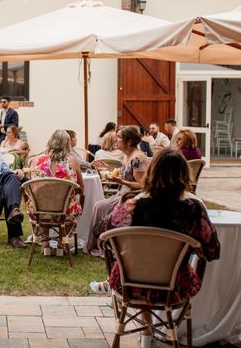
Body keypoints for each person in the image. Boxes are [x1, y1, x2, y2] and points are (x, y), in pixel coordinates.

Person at [90, 149, 220, 348]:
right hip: (174, 286)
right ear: (184, 175)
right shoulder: (193, 207)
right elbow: (213, 250)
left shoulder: (133, 203)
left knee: (142, 265)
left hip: (131, 284)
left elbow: (102, 231)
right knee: (175, 269)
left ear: (151, 172)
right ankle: (162, 330)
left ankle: (147, 333)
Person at [85, 126, 149, 254]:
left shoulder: (137, 158)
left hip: (131, 197)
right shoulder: (126, 156)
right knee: (99, 206)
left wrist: (120, 181)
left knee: (100, 207)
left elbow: (142, 185)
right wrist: (108, 171)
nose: (115, 139)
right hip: (123, 193)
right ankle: (97, 244)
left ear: (129, 142)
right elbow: (124, 174)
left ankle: (102, 245)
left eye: (119, 137)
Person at [28, 130, 84, 255]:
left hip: (39, 212)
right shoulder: (72, 161)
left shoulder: (36, 160)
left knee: (42, 201)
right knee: (73, 206)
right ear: (67, 144)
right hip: (64, 213)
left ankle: (45, 243)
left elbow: (31, 186)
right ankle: (61, 244)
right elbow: (81, 188)